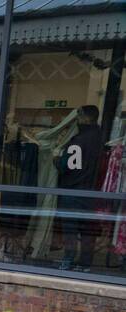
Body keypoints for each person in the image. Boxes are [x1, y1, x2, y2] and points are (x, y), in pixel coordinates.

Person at [56, 105, 104, 270]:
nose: (77, 120)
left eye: (78, 117)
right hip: (92, 193)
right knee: (87, 231)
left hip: (73, 191)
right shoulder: (101, 138)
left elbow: (66, 166)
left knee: (70, 229)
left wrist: (56, 158)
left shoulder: (78, 140)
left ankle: (68, 260)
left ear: (84, 118)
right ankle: (85, 263)